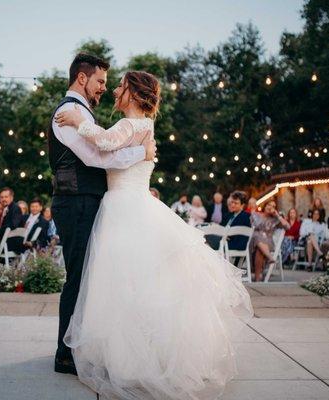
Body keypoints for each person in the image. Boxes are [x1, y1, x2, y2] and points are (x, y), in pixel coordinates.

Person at [54, 68, 251, 399]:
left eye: (120, 86)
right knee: (136, 284)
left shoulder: (130, 125)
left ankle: (132, 360)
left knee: (124, 285)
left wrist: (77, 120)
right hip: (133, 205)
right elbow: (111, 154)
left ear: (132, 92)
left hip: (124, 210)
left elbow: (103, 145)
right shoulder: (143, 128)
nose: (115, 90)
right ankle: (139, 356)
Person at [48, 54, 157, 377]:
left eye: (111, 85)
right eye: (100, 82)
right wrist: (142, 153)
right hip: (77, 201)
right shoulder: (69, 113)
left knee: (92, 280)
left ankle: (84, 348)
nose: (104, 90)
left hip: (93, 201)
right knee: (79, 279)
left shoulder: (84, 114)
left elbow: (104, 148)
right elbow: (97, 156)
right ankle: (65, 354)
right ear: (82, 79)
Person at [250, 200, 290, 281]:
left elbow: (288, 227)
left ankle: (257, 278)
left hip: (268, 243)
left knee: (259, 248)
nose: (270, 207)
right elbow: (257, 225)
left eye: (273, 206)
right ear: (265, 206)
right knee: (258, 237)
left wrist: (278, 216)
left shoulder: (275, 220)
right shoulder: (256, 215)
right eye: (269, 205)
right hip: (255, 242)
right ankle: (270, 257)